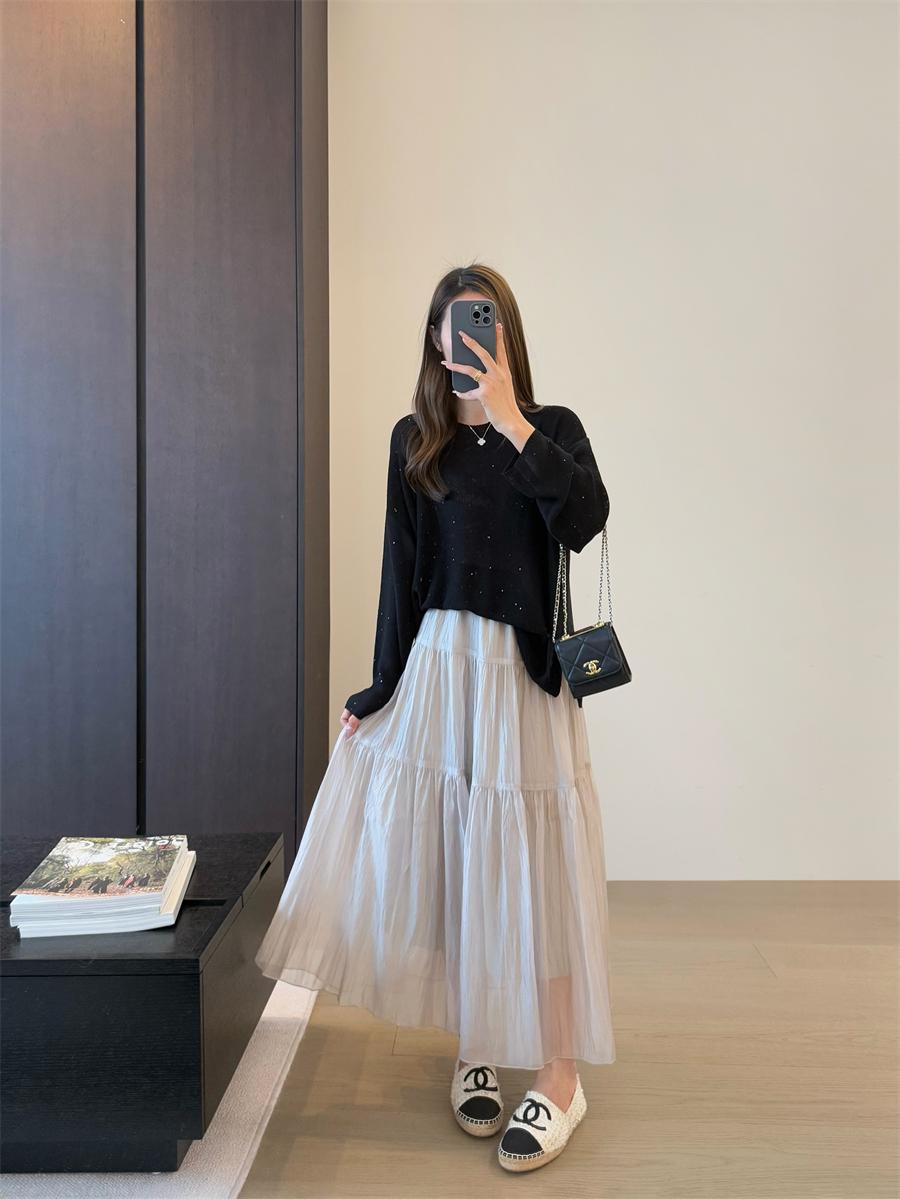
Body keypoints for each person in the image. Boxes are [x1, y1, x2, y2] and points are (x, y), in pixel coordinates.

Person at [255, 262, 616, 1172]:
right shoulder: (415, 442)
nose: (468, 341)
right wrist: (379, 690)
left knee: (539, 872)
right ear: (435, 340)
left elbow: (585, 519)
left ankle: (562, 1075)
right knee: (460, 862)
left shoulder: (552, 429)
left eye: (483, 323)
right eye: (454, 327)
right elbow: (400, 575)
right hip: (441, 672)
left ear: (506, 333)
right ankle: (475, 1047)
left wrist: (511, 417)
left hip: (524, 681)